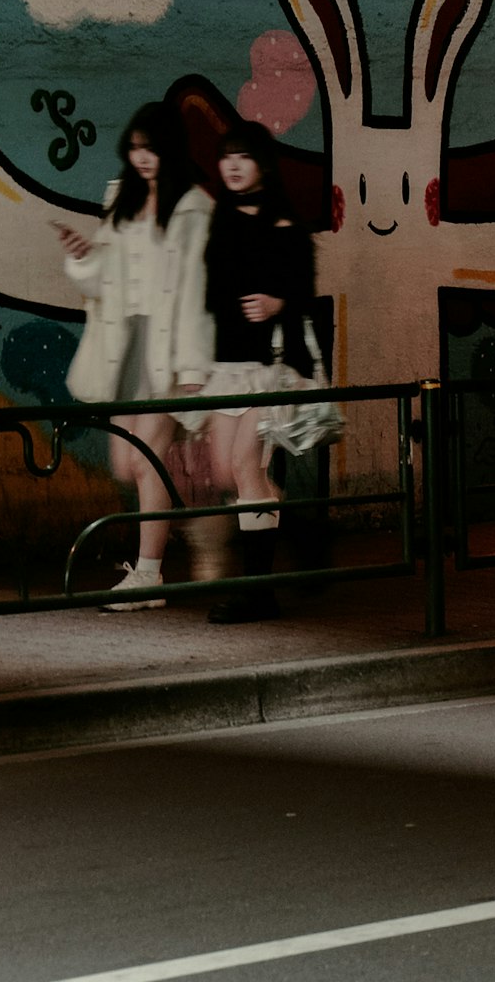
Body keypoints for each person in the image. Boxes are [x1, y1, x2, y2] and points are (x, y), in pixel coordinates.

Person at [59, 104, 213, 608]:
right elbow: (104, 278)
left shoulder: (191, 207)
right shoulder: (120, 199)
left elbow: (196, 290)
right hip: (125, 344)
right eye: (136, 147)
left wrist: (192, 369)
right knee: (126, 464)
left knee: (147, 461)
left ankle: (149, 575)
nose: (142, 157)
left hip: (167, 351)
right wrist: (83, 256)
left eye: (152, 147)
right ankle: (181, 540)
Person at [183, 123, 321, 622]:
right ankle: (302, 533)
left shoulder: (285, 223)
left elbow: (305, 294)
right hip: (227, 365)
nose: (234, 165)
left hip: (272, 367)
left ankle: (259, 592)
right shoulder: (218, 221)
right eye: (227, 157)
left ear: (263, 162)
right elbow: (207, 299)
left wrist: (275, 302)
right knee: (227, 474)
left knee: (246, 468)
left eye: (243, 156)